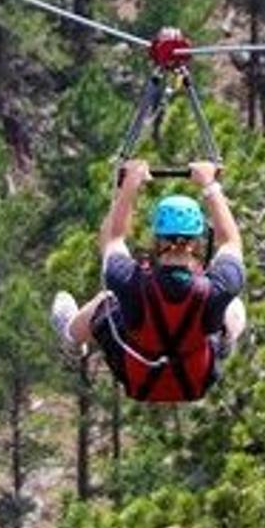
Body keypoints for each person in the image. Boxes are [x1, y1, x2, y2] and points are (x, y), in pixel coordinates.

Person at [52, 158, 245, 403]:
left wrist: (129, 186)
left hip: (139, 381)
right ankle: (225, 341)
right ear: (197, 242)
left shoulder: (130, 281)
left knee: (107, 301)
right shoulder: (217, 288)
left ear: (156, 239)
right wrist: (210, 186)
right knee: (232, 305)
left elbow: (113, 239)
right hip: (194, 383)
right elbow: (231, 242)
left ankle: (72, 337)